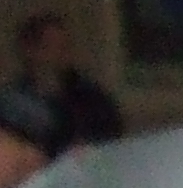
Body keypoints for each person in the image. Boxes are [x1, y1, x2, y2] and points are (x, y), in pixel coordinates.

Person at [14, 14, 124, 156]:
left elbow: (112, 138)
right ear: (31, 51)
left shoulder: (91, 97)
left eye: (66, 46)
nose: (64, 54)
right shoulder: (12, 104)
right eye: (54, 46)